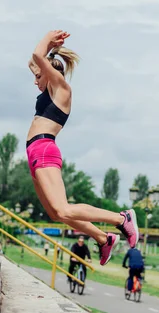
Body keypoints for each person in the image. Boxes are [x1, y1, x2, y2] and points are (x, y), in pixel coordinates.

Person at [26, 30, 139, 266]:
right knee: (56, 213)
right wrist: (49, 51)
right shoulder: (47, 90)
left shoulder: (62, 90)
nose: (35, 81)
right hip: (35, 153)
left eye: (38, 76)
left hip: (45, 149)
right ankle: (102, 238)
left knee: (64, 210)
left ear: (50, 72)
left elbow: (38, 56)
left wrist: (47, 39)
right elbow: (34, 59)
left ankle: (121, 218)